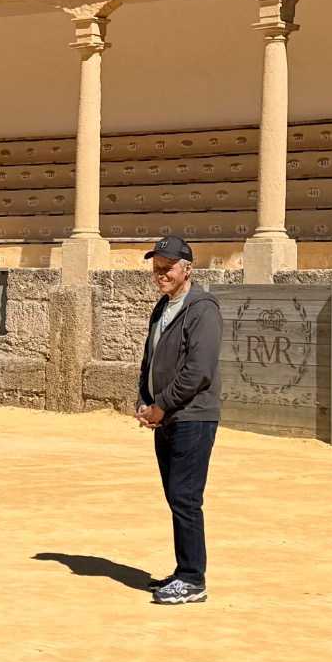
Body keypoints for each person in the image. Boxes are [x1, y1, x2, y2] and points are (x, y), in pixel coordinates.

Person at [134, 235, 221, 606]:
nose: (161, 274)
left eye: (168, 268)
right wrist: (144, 399)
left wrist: (162, 405)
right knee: (175, 496)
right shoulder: (163, 307)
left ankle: (192, 578)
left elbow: (198, 371)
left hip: (193, 417)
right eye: (157, 268)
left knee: (185, 497)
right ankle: (184, 569)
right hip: (168, 416)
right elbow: (150, 360)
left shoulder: (202, 309)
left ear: (188, 269)